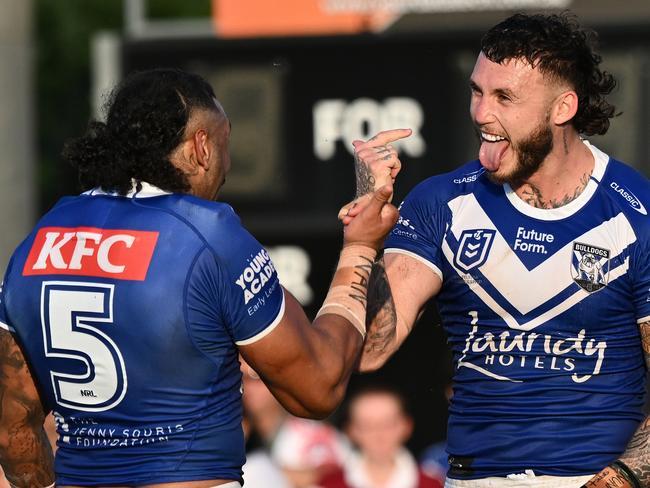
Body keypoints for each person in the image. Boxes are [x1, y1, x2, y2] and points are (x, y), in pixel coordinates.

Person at [0, 68, 402, 487]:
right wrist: (361, 245)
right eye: (226, 143)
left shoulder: (39, 240)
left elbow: (12, 430)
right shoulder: (207, 234)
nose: (227, 167)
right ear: (201, 146)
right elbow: (318, 387)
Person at [345, 12, 650, 488]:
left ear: (562, 108)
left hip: (599, 477)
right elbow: (367, 350)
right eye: (476, 90)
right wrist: (367, 231)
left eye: (504, 96)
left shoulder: (637, 213)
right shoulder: (441, 202)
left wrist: (618, 480)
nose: (480, 112)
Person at [318, 384, 442, 488]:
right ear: (351, 431)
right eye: (367, 426)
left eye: (388, 424)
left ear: (406, 426)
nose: (379, 434)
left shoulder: (432, 485)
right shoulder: (328, 484)